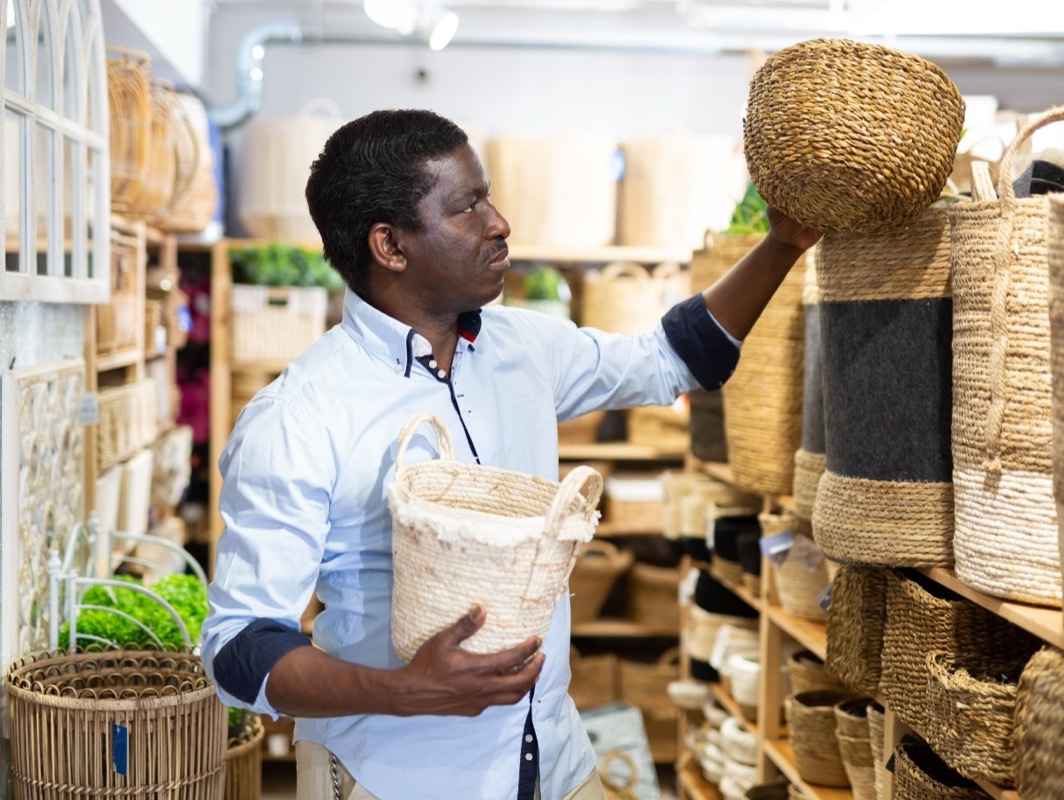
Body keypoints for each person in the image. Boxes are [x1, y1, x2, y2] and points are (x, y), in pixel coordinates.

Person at [201, 108, 821, 800]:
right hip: (400, 776)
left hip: (551, 756)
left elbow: (676, 358)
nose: (500, 222)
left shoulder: (523, 348)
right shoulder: (301, 416)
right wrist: (407, 690)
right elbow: (239, 647)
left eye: (488, 196)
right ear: (390, 246)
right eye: (467, 206)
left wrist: (782, 243)